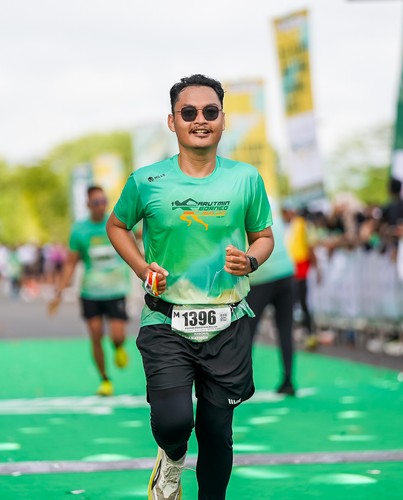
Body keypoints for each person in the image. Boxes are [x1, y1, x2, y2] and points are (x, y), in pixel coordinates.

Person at [106, 74, 274, 500]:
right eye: (189, 112)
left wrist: (251, 259)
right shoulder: (146, 180)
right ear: (172, 121)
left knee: (217, 431)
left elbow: (263, 236)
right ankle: (172, 457)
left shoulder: (245, 178)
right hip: (166, 321)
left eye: (210, 112)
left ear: (223, 120)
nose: (200, 120)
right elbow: (117, 225)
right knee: (174, 422)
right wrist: (142, 268)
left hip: (228, 322)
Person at [48, 185, 130, 397]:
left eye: (104, 201)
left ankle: (118, 347)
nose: (101, 206)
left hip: (116, 290)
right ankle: (105, 380)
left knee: (118, 336)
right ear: (88, 204)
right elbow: (70, 263)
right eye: (96, 202)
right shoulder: (79, 230)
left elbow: (137, 238)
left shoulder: (116, 222)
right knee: (95, 335)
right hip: (90, 292)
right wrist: (59, 293)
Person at [246, 197, 296, 396]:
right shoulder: (272, 201)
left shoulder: (243, 199)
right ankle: (288, 380)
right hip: (285, 271)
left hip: (261, 275)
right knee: (285, 329)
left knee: (248, 331)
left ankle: (243, 382)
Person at [282, 205, 318, 350]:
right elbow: (310, 247)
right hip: (299, 268)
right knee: (301, 302)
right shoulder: (300, 225)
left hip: (297, 268)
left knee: (296, 302)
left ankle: (300, 333)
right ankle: (306, 333)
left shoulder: (296, 225)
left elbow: (308, 247)